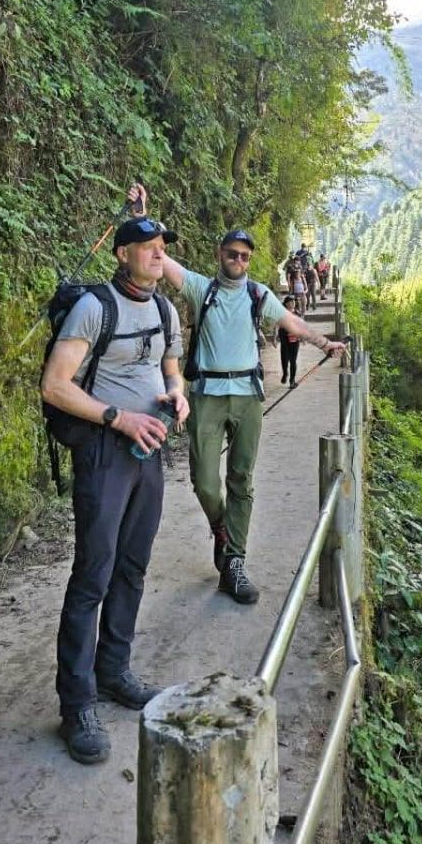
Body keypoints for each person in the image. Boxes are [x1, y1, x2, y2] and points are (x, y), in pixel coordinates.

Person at [127, 183, 346, 605]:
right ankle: (222, 529)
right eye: (232, 254)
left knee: (242, 480)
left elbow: (291, 323)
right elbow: (158, 257)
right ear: (220, 256)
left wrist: (325, 344)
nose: (239, 261)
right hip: (207, 394)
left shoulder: (257, 294)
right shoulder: (198, 288)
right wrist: (140, 216)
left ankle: (234, 562)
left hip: (247, 395)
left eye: (245, 256)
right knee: (206, 481)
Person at [40, 216, 190, 765]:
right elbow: (55, 386)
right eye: (147, 248)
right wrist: (118, 418)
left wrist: (177, 396)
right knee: (93, 575)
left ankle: (113, 671)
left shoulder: (165, 309)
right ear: (122, 254)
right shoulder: (93, 307)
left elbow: (172, 371)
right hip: (106, 451)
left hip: (150, 450)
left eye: (161, 248)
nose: (157, 255)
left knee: (132, 566)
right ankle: (76, 703)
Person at [277, 296, 301, 387]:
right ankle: (285, 374)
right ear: (286, 304)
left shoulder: (297, 313)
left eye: (294, 301)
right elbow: (278, 324)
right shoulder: (282, 313)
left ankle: (292, 380)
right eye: (291, 301)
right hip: (284, 338)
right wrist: (275, 337)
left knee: (293, 360)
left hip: (295, 339)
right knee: (284, 359)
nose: (293, 303)